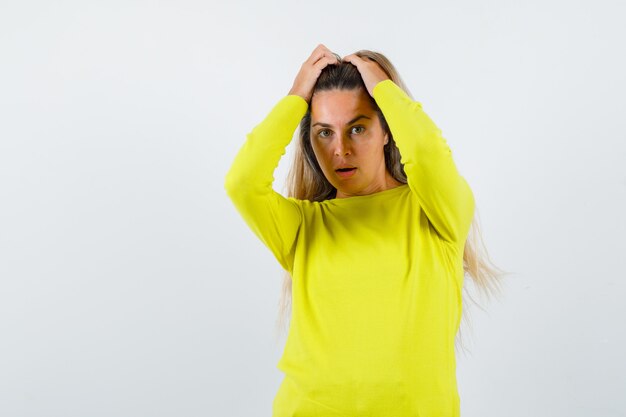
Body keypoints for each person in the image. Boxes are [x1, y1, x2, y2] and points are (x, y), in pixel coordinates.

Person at [224, 44, 507, 417]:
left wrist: (386, 91)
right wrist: (295, 98)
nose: (340, 149)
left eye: (357, 128)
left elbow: (426, 153)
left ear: (388, 130)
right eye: (324, 132)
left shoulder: (436, 211)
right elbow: (242, 182)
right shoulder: (302, 226)